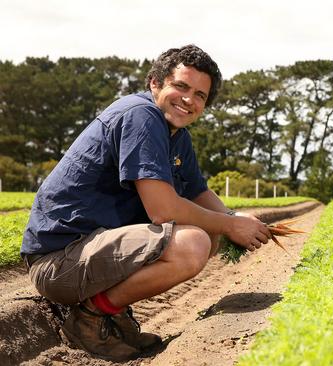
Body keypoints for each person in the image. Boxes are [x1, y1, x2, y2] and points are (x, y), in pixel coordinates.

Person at [20, 44, 271, 361]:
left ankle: (114, 313)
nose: (188, 100)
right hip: (59, 261)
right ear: (155, 83)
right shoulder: (141, 116)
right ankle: (91, 317)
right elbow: (163, 210)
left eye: (199, 95)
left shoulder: (176, 134)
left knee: (210, 234)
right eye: (180, 86)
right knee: (192, 243)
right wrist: (233, 224)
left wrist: (235, 218)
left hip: (92, 249)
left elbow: (197, 192)